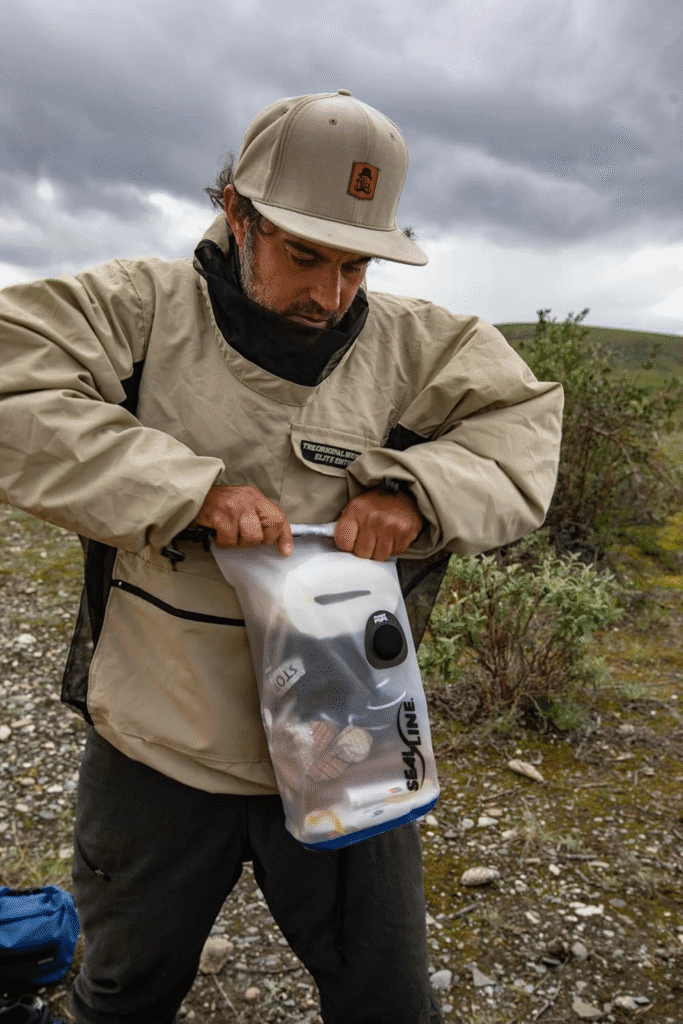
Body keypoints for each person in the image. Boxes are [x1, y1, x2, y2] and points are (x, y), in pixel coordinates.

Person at [0, 90, 563, 1024]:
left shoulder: (419, 346)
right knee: (122, 996)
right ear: (237, 212)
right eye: (304, 255)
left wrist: (413, 491)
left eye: (355, 264)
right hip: (159, 743)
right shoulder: (138, 309)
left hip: (353, 745)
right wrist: (188, 490)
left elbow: (522, 433)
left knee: (387, 1003)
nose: (331, 295)